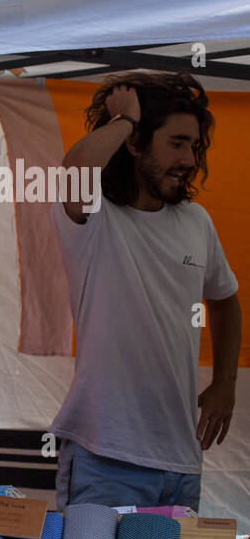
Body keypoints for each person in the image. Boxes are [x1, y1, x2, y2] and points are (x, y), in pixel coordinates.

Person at [53, 71, 241, 510]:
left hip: (181, 462)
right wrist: (124, 121)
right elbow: (74, 170)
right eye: (176, 143)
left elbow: (226, 299)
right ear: (135, 144)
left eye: (194, 146)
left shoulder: (196, 221)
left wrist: (225, 382)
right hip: (104, 457)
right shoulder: (95, 215)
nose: (190, 159)